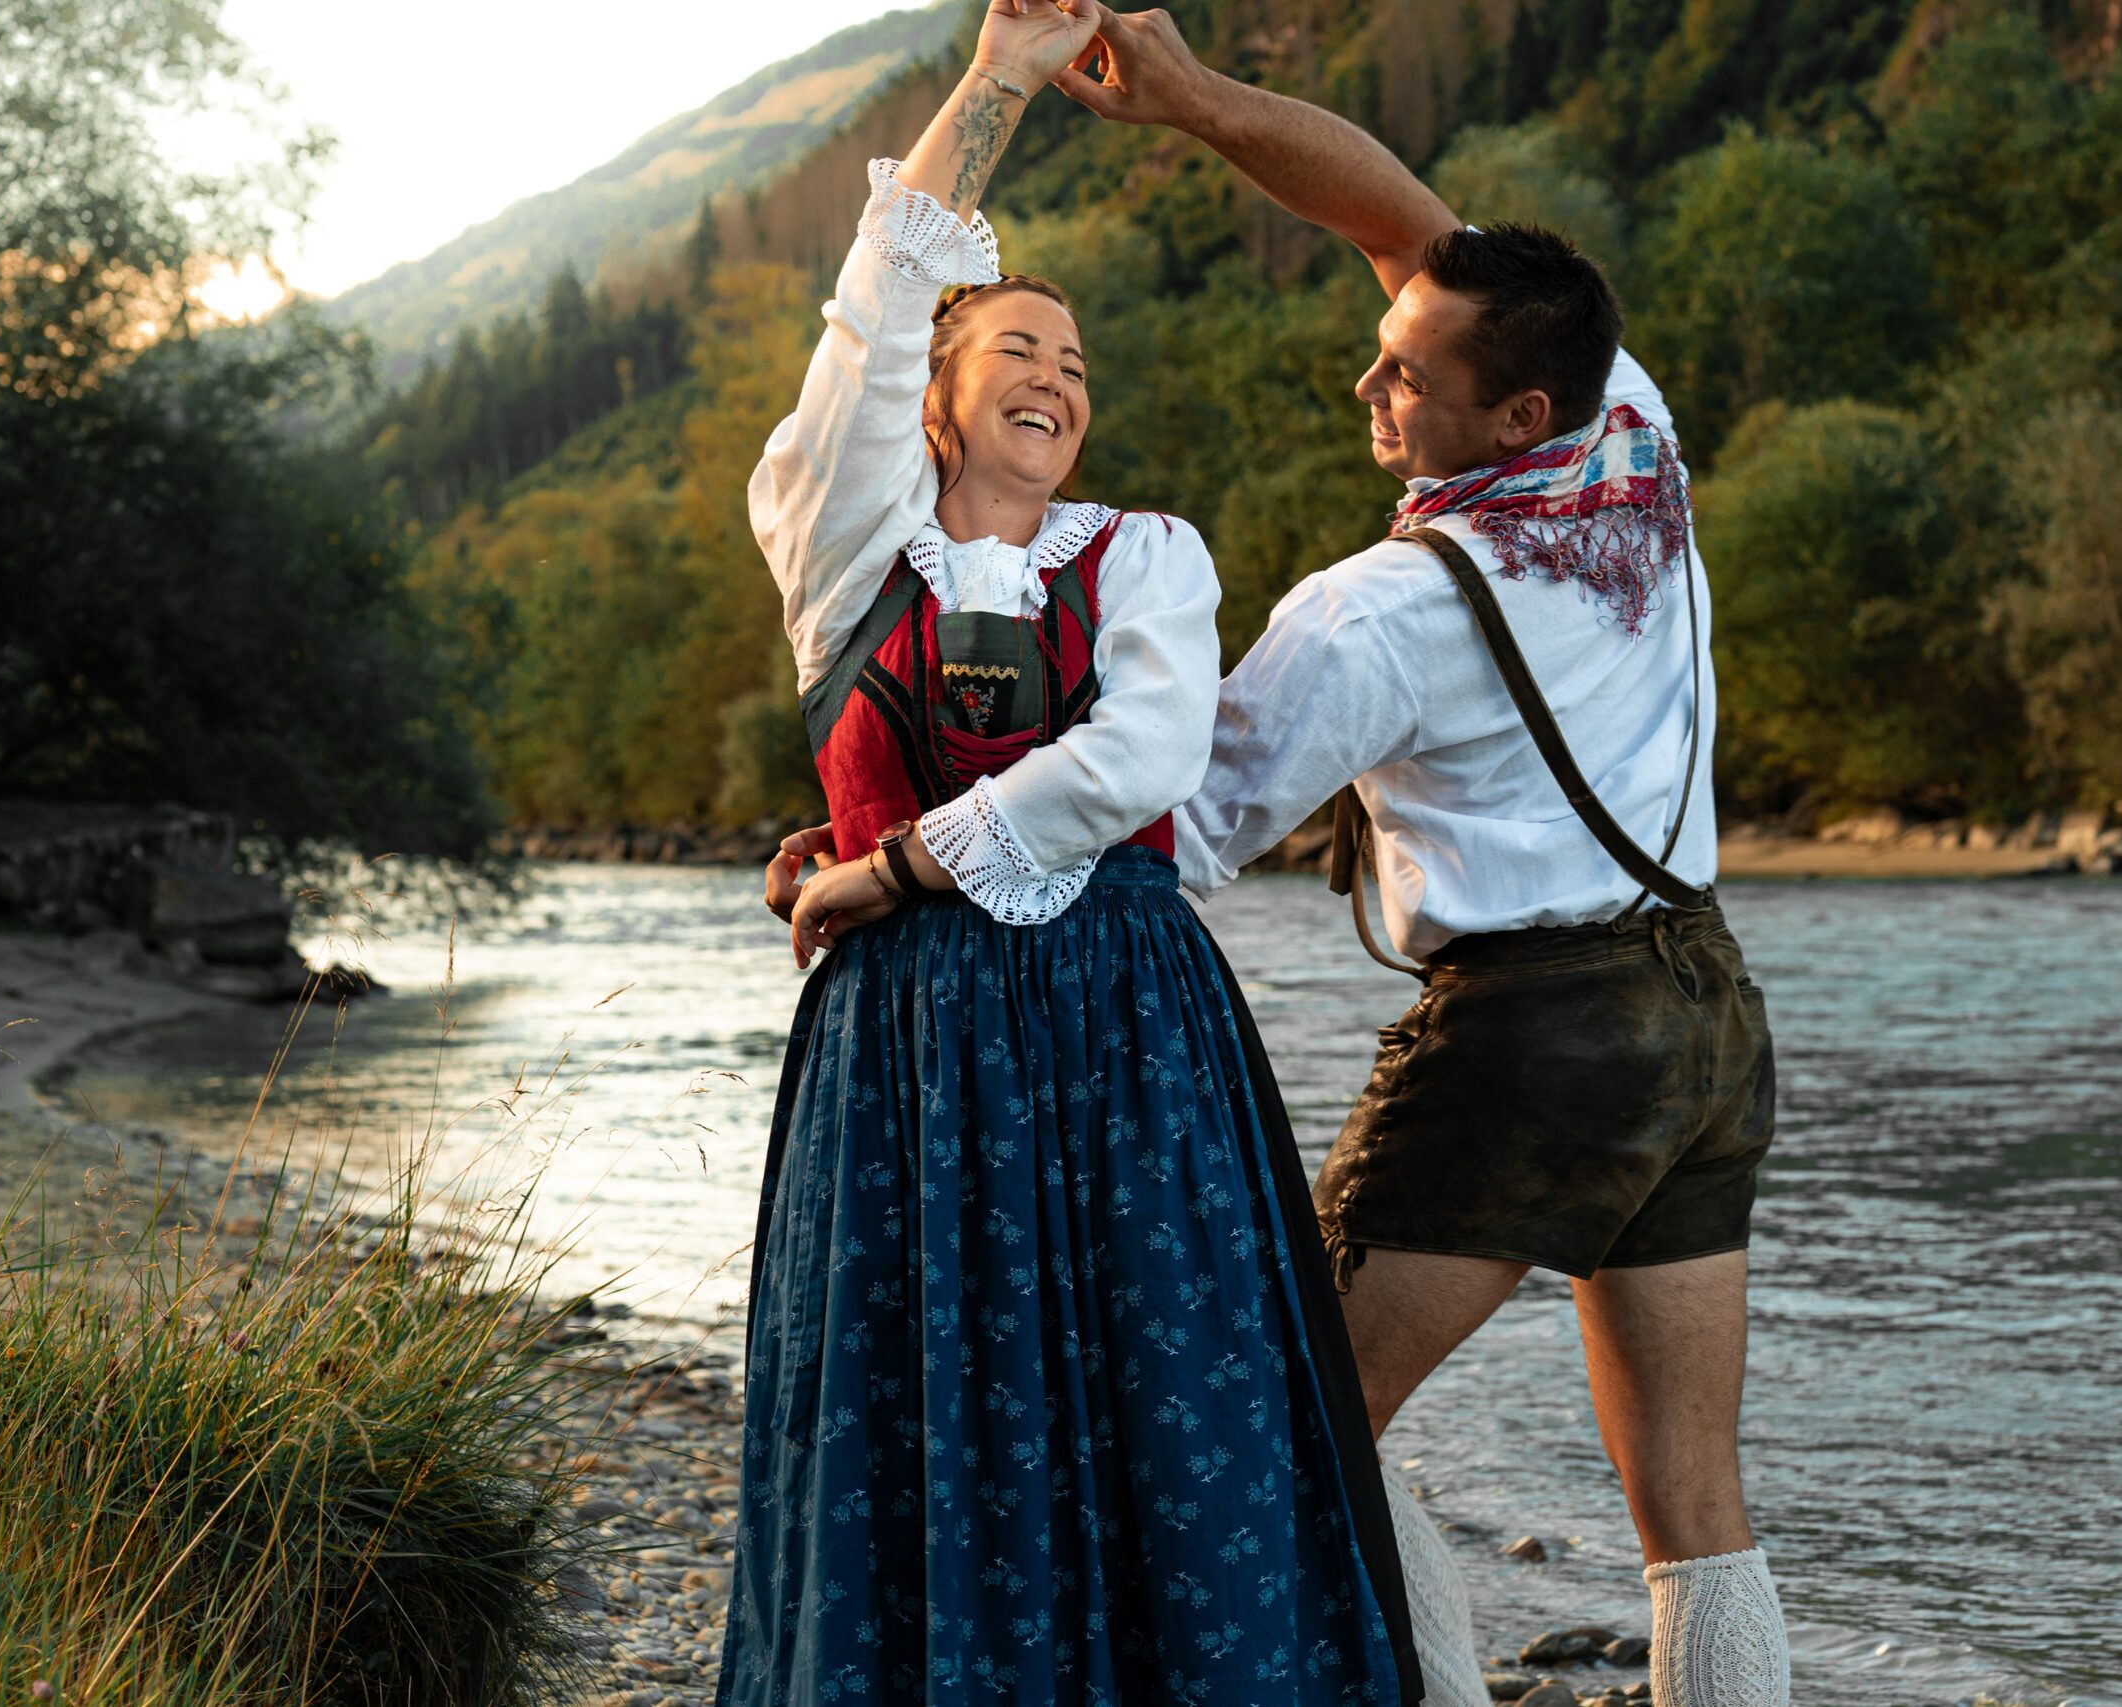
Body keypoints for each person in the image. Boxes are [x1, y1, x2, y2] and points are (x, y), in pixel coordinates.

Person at [1053, 13, 1792, 1707]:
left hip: (1529, 1031)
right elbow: (1398, 219)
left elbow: (1170, 828)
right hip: (1705, 1010)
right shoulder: (1633, 439)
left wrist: (936, 831)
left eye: (1405, 375)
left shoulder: (1371, 612)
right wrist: (1194, 100)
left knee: (1300, 1413)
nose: (1368, 383)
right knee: (1695, 1509)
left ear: (1510, 403)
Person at [723, 3, 1421, 1701]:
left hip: (1125, 1023)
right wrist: (1003, 73)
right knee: (917, 1399)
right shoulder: (836, 544)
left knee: (1170, 1390)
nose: (1056, 375)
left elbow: (1142, 760)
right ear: (935, 404)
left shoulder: (1153, 561)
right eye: (1017, 347)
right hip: (912, 1050)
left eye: (1079, 361)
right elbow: (877, 303)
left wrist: (886, 868)